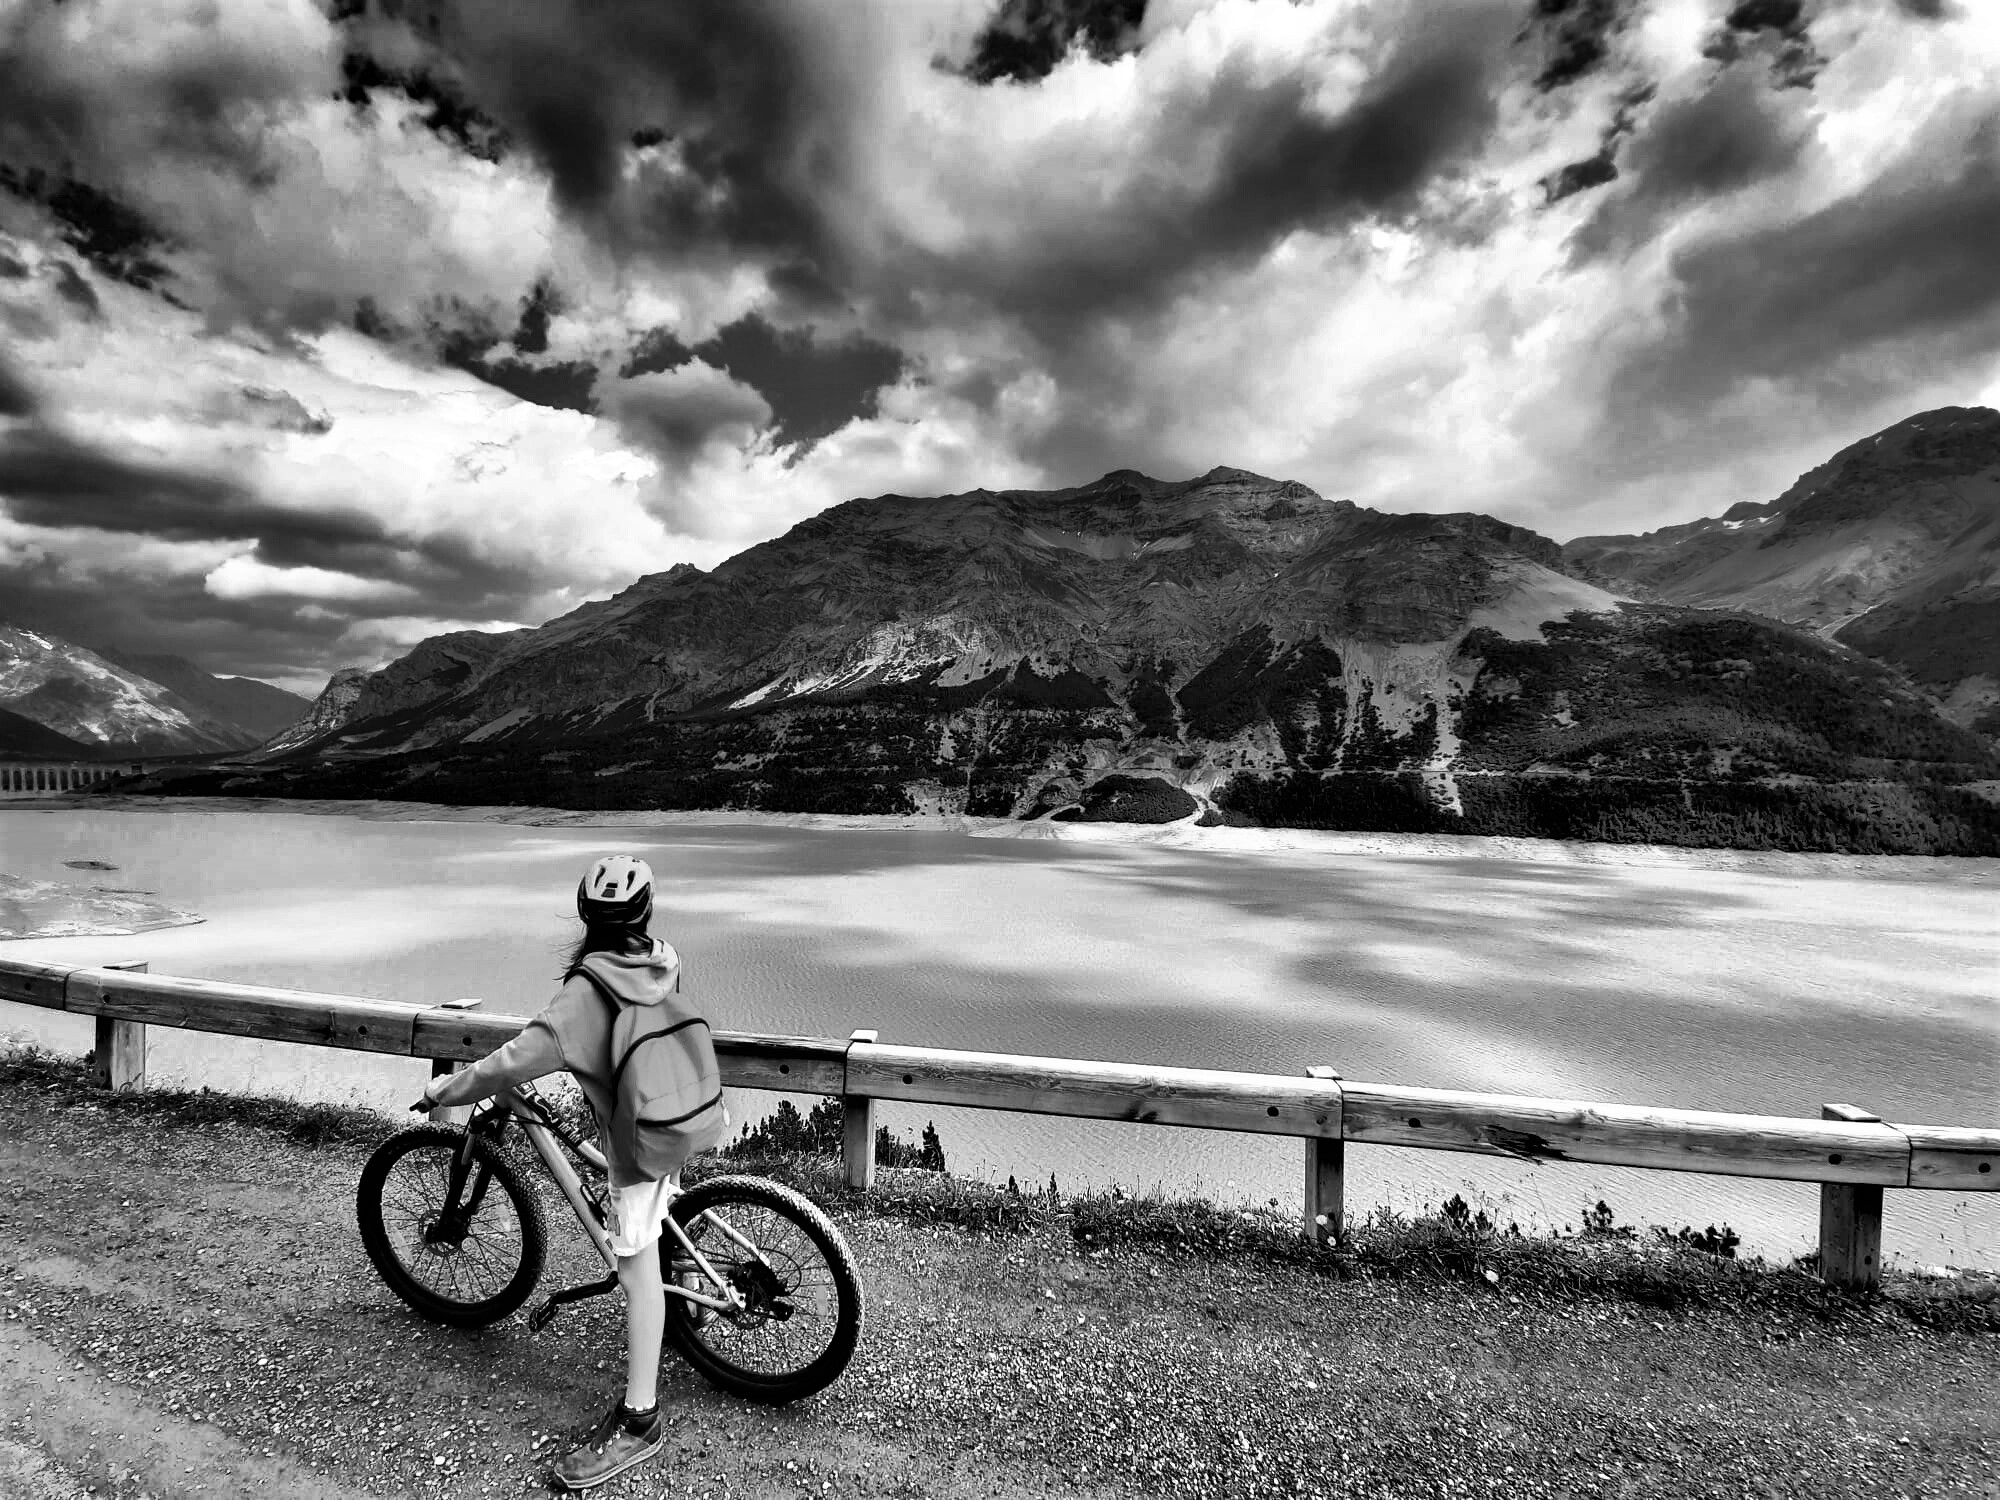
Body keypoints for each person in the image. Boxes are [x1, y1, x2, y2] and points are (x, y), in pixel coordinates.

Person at [415, 854, 724, 1493]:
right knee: (658, 1214)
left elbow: (510, 1064)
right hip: (679, 1113)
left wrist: (447, 1089)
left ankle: (640, 1420)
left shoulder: (585, 994)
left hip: (637, 1144)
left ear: (585, 914)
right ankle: (687, 1286)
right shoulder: (658, 960)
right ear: (644, 913)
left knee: (635, 1273)